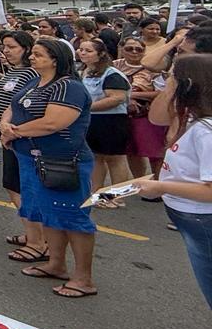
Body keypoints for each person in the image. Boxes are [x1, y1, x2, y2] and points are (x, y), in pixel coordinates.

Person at [0, 39, 98, 299]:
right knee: (49, 216)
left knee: (73, 219)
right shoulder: (35, 82)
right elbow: (13, 106)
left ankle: (83, 278)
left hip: (62, 162)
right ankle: (56, 263)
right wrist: (5, 125)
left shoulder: (69, 87)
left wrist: (14, 133)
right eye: (32, 53)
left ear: (55, 58)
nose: (32, 58)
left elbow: (53, 123)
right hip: (31, 159)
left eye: (38, 54)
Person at [137, 53, 212, 308]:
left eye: (172, 78)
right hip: (189, 214)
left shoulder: (206, 130)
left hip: (202, 216)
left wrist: (160, 186)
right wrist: (172, 86)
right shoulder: (191, 116)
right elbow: (157, 117)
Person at [0, 31, 45, 263]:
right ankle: (33, 234)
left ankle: (38, 241)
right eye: (4, 47)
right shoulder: (14, 71)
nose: (6, 51)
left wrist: (11, 128)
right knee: (14, 186)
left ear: (25, 48)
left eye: (11, 47)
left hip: (22, 138)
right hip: (9, 136)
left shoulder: (33, 74)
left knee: (23, 188)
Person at [78, 38, 131, 206]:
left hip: (112, 121)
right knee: (96, 157)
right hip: (92, 121)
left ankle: (118, 196)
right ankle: (97, 193)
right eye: (81, 49)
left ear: (100, 54)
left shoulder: (112, 74)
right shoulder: (84, 71)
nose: (83, 53)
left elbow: (117, 98)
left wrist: (87, 107)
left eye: (88, 50)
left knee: (115, 159)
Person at [115, 38, 164, 178]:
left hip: (148, 115)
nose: (134, 52)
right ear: (122, 49)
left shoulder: (154, 67)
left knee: (154, 152)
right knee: (132, 151)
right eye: (130, 48)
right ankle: (139, 182)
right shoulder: (114, 66)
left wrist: (130, 95)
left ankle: (157, 183)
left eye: (139, 49)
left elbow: (162, 93)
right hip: (122, 115)